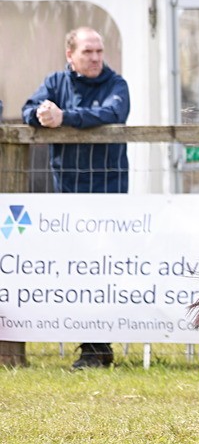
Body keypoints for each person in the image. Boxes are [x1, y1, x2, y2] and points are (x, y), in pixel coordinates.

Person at [22, 27, 130, 369]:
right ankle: (89, 344)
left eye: (99, 51)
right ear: (70, 54)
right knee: (75, 269)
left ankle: (99, 345)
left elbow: (113, 114)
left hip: (109, 190)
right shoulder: (55, 82)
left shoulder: (117, 84)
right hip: (67, 191)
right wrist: (40, 115)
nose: (96, 57)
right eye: (88, 52)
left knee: (105, 268)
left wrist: (64, 118)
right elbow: (29, 109)